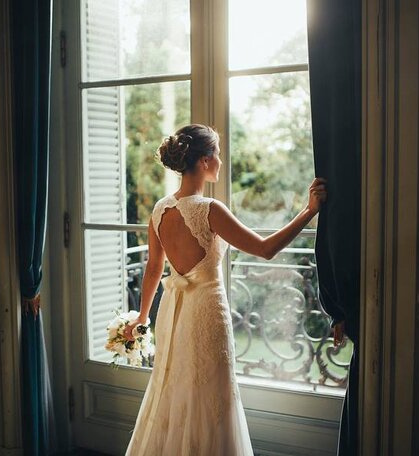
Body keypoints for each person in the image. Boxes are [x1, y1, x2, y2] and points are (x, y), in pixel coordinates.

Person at [123, 124, 328, 455]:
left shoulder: (160, 210)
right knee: (210, 395)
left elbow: (153, 269)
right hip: (206, 312)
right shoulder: (207, 209)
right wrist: (309, 211)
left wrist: (142, 318)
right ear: (204, 161)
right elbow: (264, 249)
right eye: (217, 154)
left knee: (175, 391)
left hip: (171, 314)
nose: (220, 160)